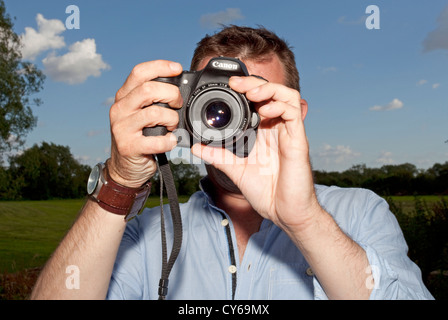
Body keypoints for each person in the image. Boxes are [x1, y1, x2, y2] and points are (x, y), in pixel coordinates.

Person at [31, 25, 433, 300]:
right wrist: (119, 183)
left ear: (296, 111)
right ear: (183, 108)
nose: (227, 115)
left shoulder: (360, 213)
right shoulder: (150, 233)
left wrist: (305, 221)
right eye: (213, 98)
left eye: (254, 100)